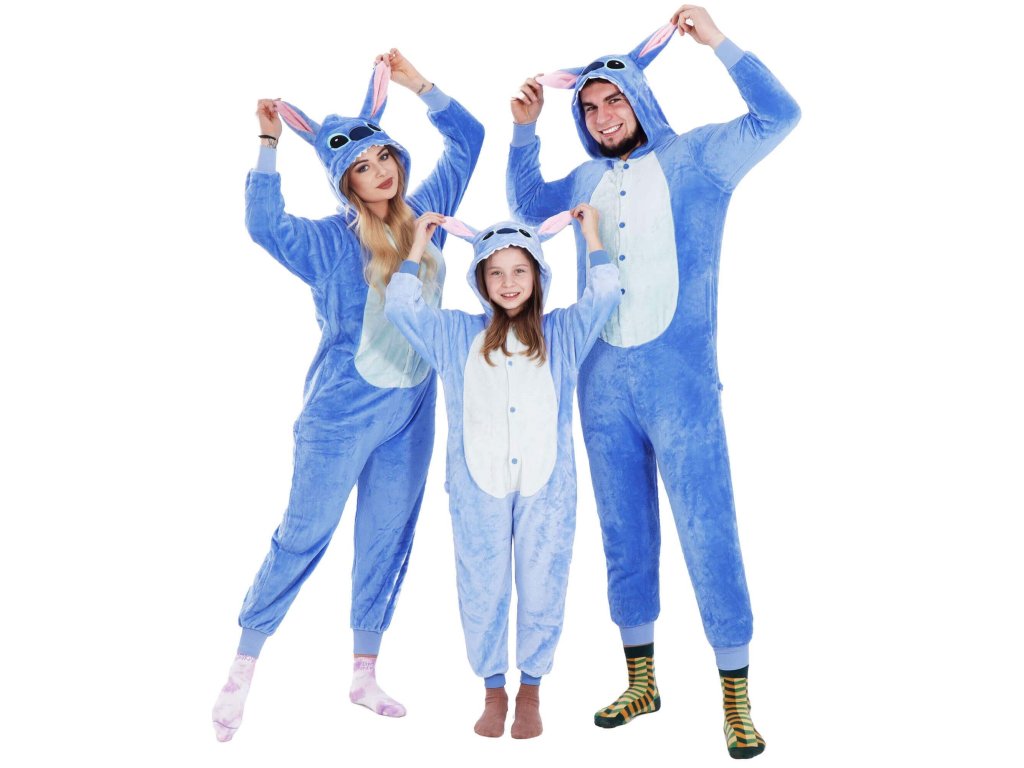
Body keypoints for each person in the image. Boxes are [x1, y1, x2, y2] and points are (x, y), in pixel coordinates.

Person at [506, 5, 799, 758]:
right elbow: (528, 210)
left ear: (640, 96)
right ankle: (642, 680)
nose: (604, 116)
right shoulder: (585, 177)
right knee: (623, 532)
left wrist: (717, 43)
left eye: (615, 100)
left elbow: (780, 116)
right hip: (601, 382)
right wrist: (525, 131)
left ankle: (735, 693)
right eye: (590, 108)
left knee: (708, 528)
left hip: (681, 384)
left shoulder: (700, 158)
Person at [211, 48, 483, 742]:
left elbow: (470, 138)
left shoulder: (428, 213)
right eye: (361, 166)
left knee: (387, 537)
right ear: (344, 181)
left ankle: (364, 673)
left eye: (383, 155)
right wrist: (268, 142)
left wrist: (418, 82)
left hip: (412, 412)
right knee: (304, 534)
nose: (379, 170)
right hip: (339, 416)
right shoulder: (331, 244)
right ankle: (243, 665)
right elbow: (264, 226)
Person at [383, 204, 620, 739]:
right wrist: (417, 244)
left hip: (546, 485)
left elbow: (605, 294)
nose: (508, 283)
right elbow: (401, 306)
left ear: (537, 275)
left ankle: (531, 691)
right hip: (478, 484)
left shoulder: (562, 333)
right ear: (480, 280)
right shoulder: (454, 334)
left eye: (519, 271)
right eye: (495, 272)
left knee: (543, 583)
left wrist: (591, 235)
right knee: (481, 586)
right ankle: (493, 691)